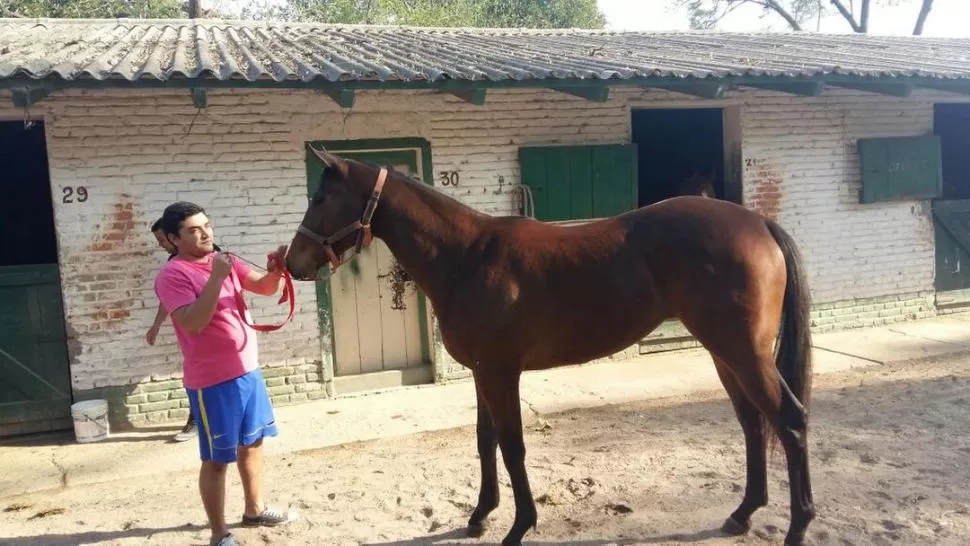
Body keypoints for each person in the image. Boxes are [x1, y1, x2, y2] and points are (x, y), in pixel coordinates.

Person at [153, 202, 295, 546]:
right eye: (193, 230)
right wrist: (216, 279)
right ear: (173, 238)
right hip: (213, 382)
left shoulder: (224, 260)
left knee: (254, 443)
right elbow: (192, 321)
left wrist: (276, 269)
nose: (205, 233)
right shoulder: (172, 275)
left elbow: (264, 287)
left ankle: (254, 509)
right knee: (217, 460)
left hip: (248, 371)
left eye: (207, 225)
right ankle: (219, 534)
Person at [147, 218, 223, 443]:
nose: (161, 244)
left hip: (214, 329)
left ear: (174, 237)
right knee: (197, 377)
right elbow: (168, 300)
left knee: (203, 379)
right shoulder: (174, 266)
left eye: (162, 239)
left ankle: (199, 421)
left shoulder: (213, 257)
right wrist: (157, 324)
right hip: (195, 330)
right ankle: (199, 420)